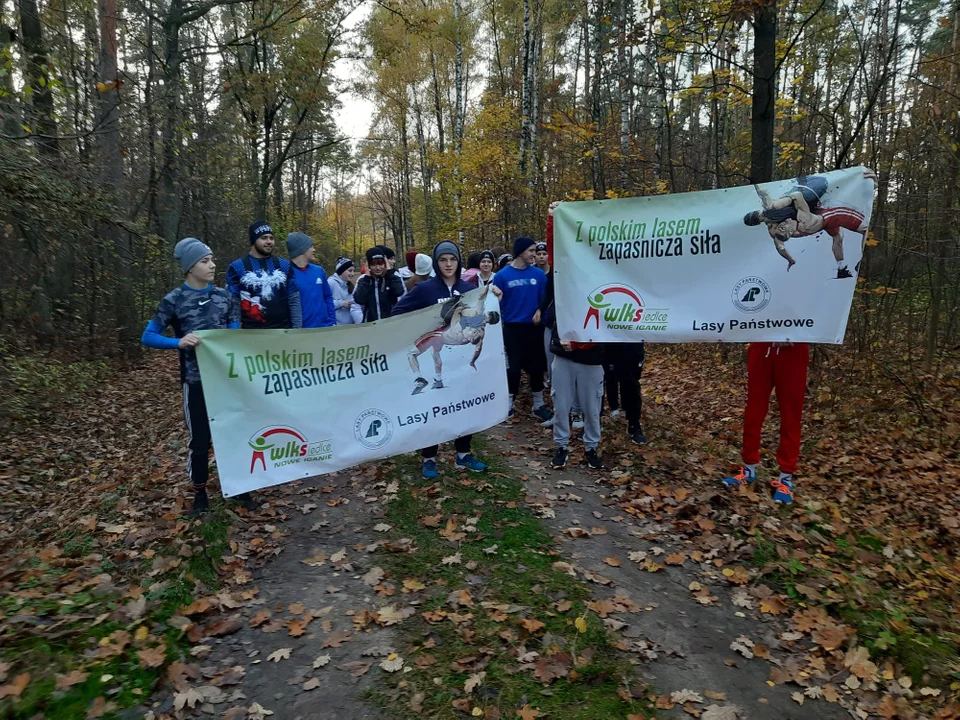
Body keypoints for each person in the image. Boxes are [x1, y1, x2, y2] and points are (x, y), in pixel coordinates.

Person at [141, 238, 244, 516]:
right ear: (190, 267)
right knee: (200, 440)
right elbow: (148, 336)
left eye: (211, 259)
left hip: (227, 381)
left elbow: (235, 337)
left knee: (233, 434)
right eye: (204, 261)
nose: (212, 265)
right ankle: (200, 493)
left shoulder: (226, 297)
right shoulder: (173, 300)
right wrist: (178, 342)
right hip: (196, 382)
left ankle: (241, 488)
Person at [391, 241, 493, 479]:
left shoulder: (469, 288)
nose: (448, 264)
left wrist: (493, 295)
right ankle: (429, 458)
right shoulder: (425, 289)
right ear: (436, 263)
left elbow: (478, 312)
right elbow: (397, 312)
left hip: (460, 357)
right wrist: (422, 327)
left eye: (453, 259)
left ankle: (463, 455)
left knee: (464, 405)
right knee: (433, 407)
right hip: (435, 354)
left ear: (459, 262)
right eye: (443, 260)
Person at [722, 342, 809, 505]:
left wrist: (794, 333)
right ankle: (748, 470)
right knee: (752, 413)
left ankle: (786, 479)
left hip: (794, 351)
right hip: (761, 347)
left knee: (791, 416)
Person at [744, 169, 876, 277]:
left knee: (854, 232)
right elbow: (780, 246)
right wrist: (790, 259)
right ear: (789, 232)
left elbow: (796, 196)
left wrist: (869, 186)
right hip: (824, 219)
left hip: (826, 216)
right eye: (783, 228)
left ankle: (857, 263)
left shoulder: (792, 220)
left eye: (781, 226)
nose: (781, 227)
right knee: (839, 238)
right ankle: (841, 268)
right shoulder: (788, 226)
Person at [493, 237, 551, 422]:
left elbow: (545, 298)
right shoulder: (502, 276)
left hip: (534, 328)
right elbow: (495, 303)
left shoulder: (538, 274)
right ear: (520, 252)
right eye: (531, 251)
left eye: (535, 251)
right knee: (513, 369)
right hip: (512, 328)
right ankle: (508, 406)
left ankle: (538, 404)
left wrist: (540, 310)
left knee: (536, 368)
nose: (534, 254)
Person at [548, 323, 606, 470]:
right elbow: (554, 316)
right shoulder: (563, 299)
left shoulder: (606, 300)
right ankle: (561, 447)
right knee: (560, 405)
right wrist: (559, 339)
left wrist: (580, 345)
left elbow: (608, 327)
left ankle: (591, 449)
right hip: (563, 356)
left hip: (592, 360)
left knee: (592, 408)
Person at [227, 221, 302, 329]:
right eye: (264, 238)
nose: (269, 241)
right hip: (251, 333)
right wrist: (235, 332)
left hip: (282, 331)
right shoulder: (237, 267)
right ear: (253, 240)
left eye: (271, 238)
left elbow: (294, 299)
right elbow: (233, 304)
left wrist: (297, 330)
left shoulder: (284, 265)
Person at [287, 232, 335, 328]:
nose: (314, 250)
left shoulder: (319, 271)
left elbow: (328, 296)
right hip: (303, 331)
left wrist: (332, 320)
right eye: (311, 247)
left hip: (325, 327)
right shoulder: (286, 273)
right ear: (302, 249)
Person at [603, 343, 647, 445]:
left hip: (632, 344)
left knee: (631, 383)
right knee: (604, 380)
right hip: (608, 343)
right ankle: (593, 423)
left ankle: (634, 424)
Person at [354, 245, 404, 322]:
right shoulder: (364, 280)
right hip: (371, 325)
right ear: (369, 265)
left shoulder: (392, 277)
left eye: (380, 263)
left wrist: (389, 272)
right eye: (373, 264)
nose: (377, 268)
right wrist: (367, 279)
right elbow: (359, 299)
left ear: (385, 263)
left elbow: (399, 291)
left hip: (391, 322)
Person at [329, 256, 363, 324]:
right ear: (341, 271)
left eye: (353, 271)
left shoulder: (350, 285)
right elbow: (324, 304)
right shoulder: (331, 283)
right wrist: (341, 303)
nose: (352, 274)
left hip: (350, 327)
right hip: (337, 327)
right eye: (350, 271)